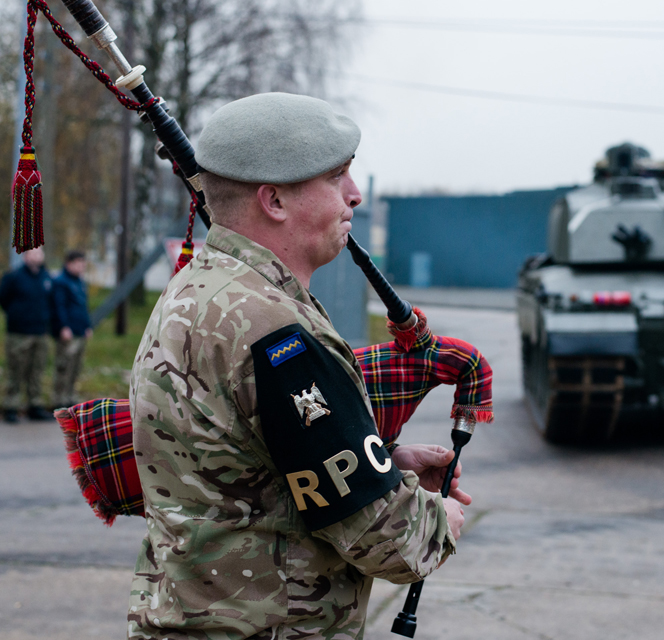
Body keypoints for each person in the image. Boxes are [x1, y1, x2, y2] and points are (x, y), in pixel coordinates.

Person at [127, 92, 469, 640]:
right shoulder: (276, 331)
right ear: (275, 202)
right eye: (336, 178)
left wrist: (382, 465)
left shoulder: (194, 291)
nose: (354, 196)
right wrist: (441, 520)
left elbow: (242, 476)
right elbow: (391, 543)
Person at [0, 247, 54, 422]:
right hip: (19, 333)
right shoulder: (13, 277)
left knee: (36, 371)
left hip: (40, 332)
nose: (36, 256)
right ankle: (11, 406)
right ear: (25, 256)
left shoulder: (46, 277)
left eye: (39, 253)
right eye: (32, 253)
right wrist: (17, 316)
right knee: (16, 371)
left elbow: (51, 302)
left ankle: (35, 405)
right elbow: (4, 300)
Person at [51, 249, 93, 408]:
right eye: (78, 263)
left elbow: (82, 307)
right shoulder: (61, 282)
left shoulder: (80, 282)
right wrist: (63, 327)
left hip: (80, 330)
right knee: (64, 367)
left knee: (75, 367)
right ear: (69, 263)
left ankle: (69, 397)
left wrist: (87, 326)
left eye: (83, 264)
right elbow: (59, 307)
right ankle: (58, 399)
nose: (81, 267)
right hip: (68, 332)